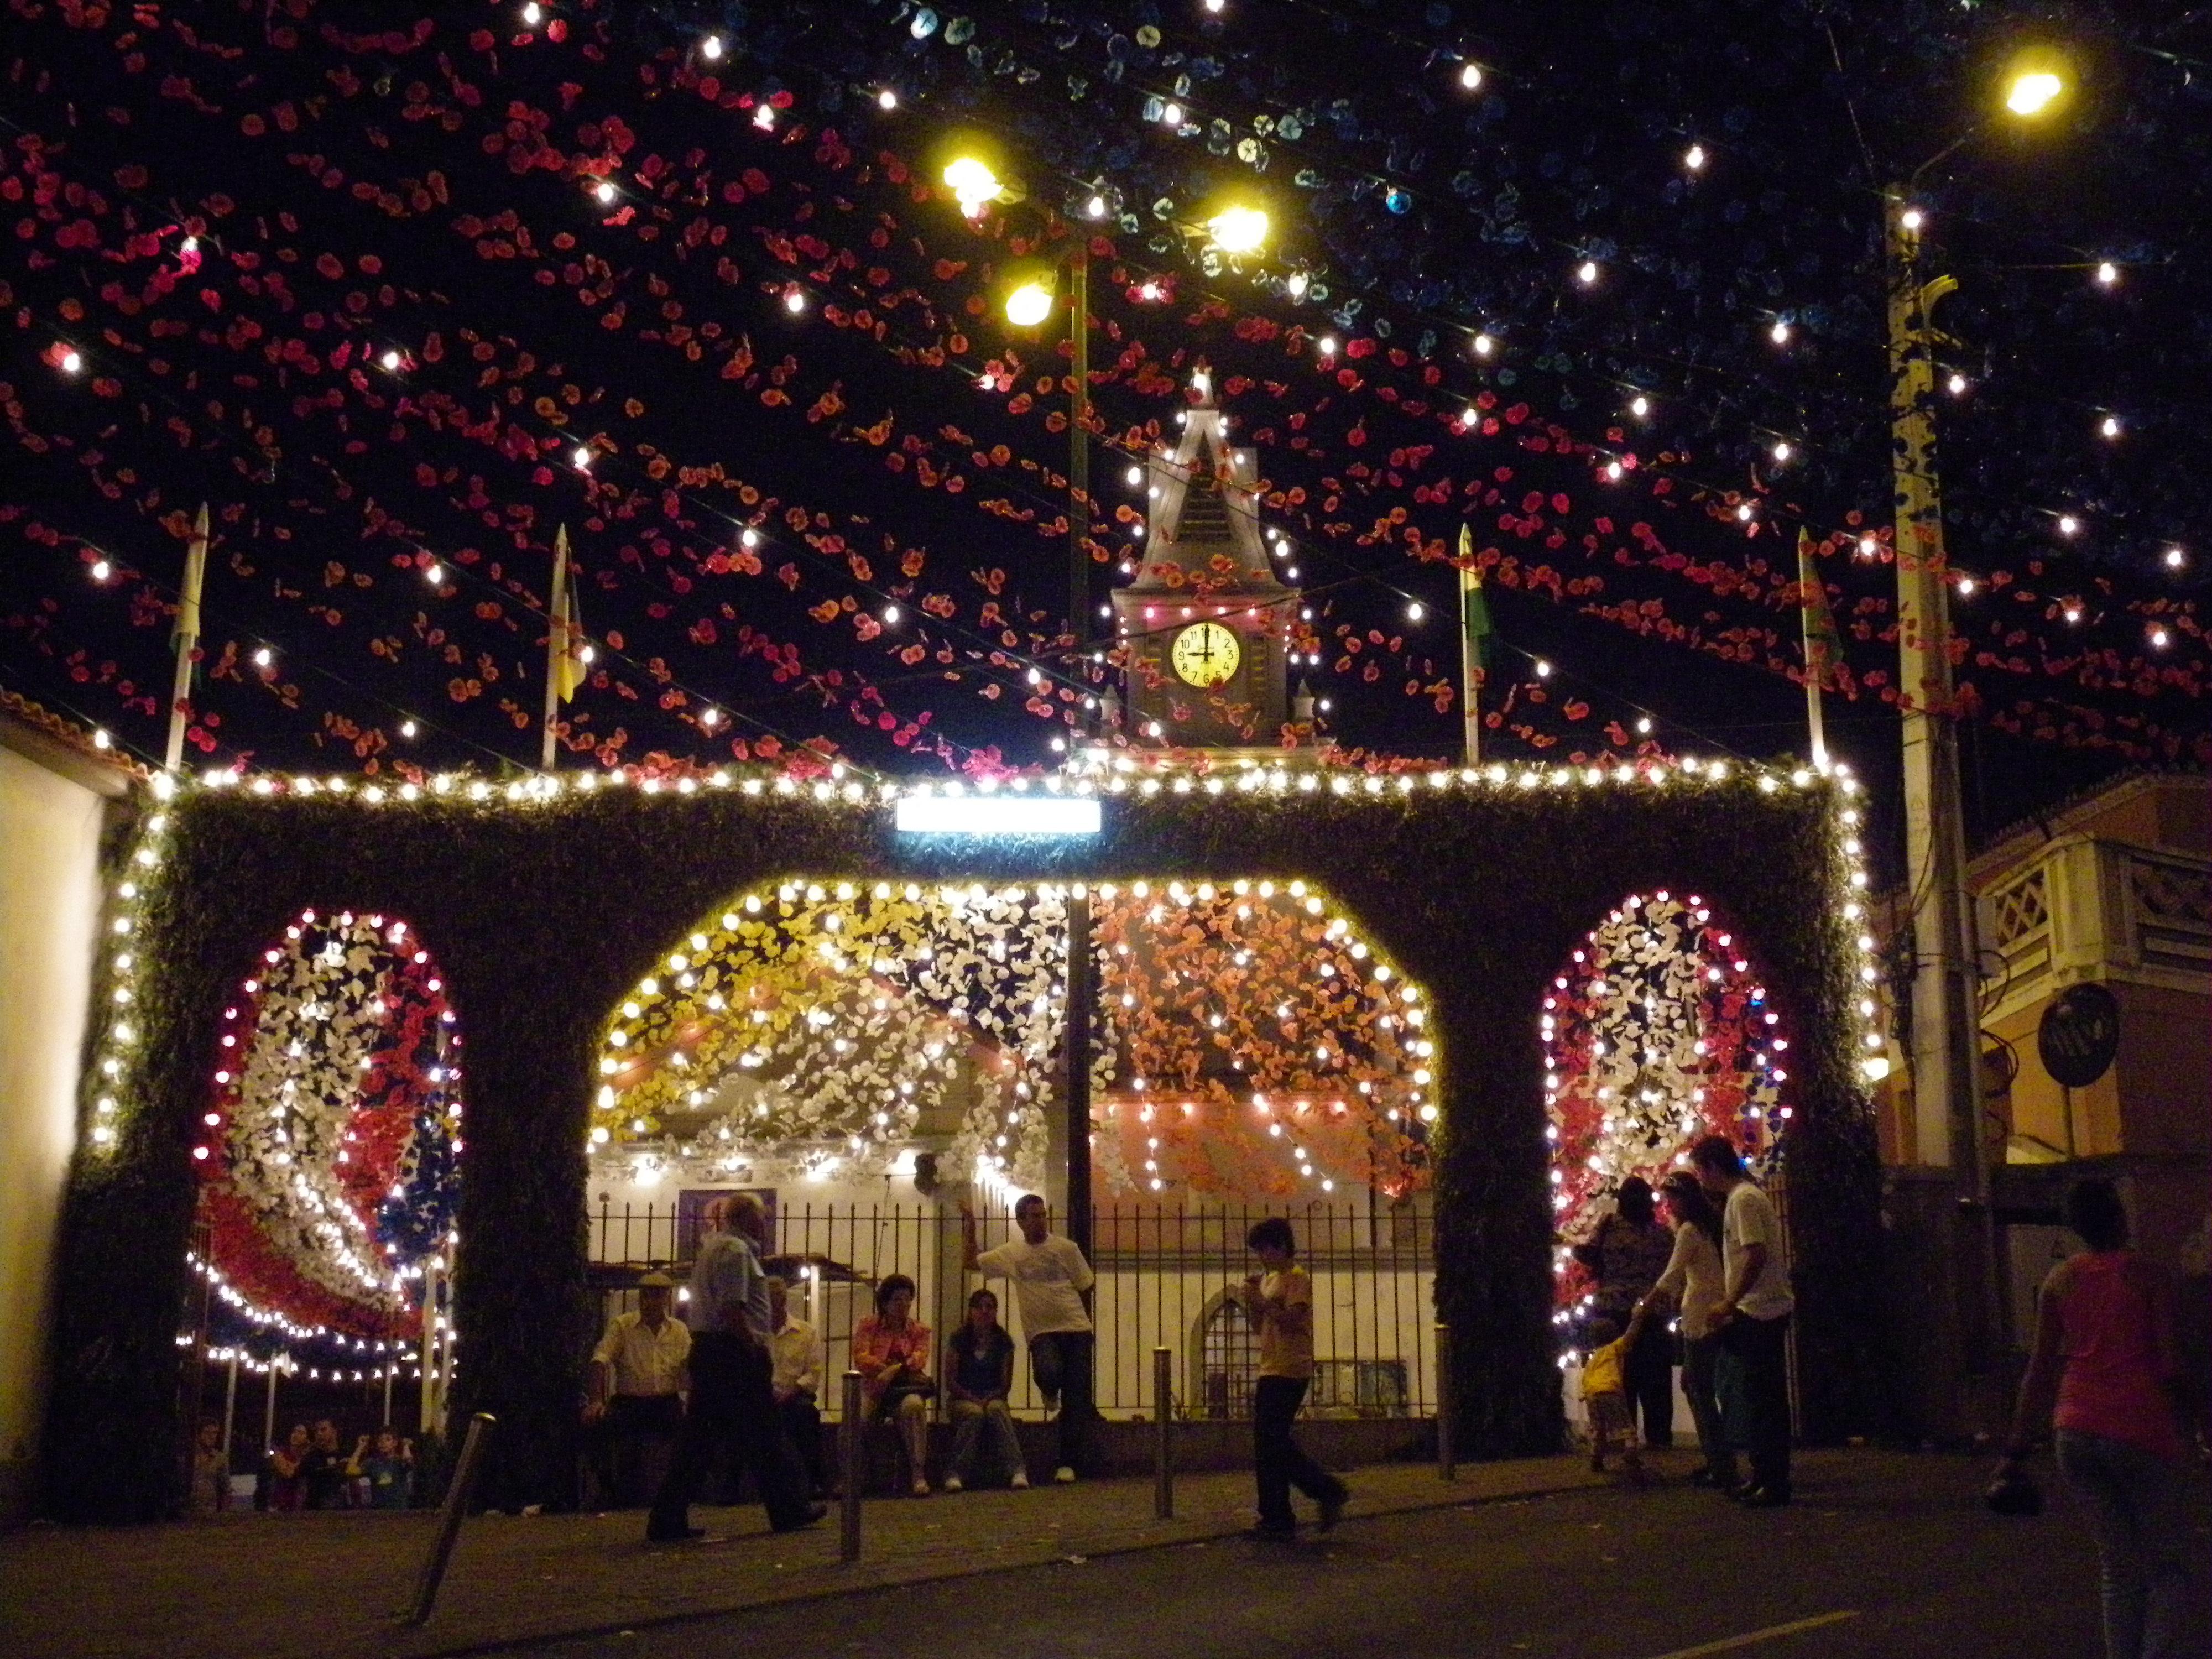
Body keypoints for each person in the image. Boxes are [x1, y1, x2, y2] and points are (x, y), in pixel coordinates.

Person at [1999, 1178, 2195, 1659]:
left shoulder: (2060, 1281)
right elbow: (2172, 1366)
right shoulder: (2149, 1277)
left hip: (2076, 1428)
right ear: (2119, 1217)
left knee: (2116, 1565)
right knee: (2167, 1566)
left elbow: (2040, 1370)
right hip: (2140, 1427)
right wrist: (2193, 1428)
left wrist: (2016, 1449)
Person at [646, 1193, 826, 1543]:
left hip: (714, 1352)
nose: (765, 1223)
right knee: (765, 1433)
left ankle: (667, 1516)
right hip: (731, 1353)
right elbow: (733, 1309)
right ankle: (788, 1508)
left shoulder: (715, 1249)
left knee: (702, 1439)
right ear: (747, 1217)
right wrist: (752, 1348)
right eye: (761, 1217)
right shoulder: (736, 1252)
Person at [962, 1193, 1095, 1483]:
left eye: (1042, 1215)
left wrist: (1081, 1321)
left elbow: (1086, 1283)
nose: (1039, 1221)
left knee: (1075, 1399)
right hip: (1042, 1330)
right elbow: (972, 1263)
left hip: (1075, 1328)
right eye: (1033, 1216)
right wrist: (970, 1224)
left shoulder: (1066, 1248)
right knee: (1047, 1371)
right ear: (1020, 1221)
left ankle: (1067, 1463)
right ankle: (1049, 1392)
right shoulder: (1013, 1253)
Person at [1691, 1135, 1794, 1507]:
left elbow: (1755, 1254)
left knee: (1763, 1399)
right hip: (1757, 1307)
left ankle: (1773, 1480)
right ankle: (1764, 1474)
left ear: (1713, 1168)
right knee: (1758, 1398)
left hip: (1759, 1309)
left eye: (1700, 1171)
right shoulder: (1745, 1198)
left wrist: (1730, 1301)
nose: (1700, 1179)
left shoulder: (1743, 1201)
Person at [1238, 1217, 1350, 1540]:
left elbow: (1294, 1321)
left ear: (1282, 1246)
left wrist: (1262, 1303)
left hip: (1291, 1368)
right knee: (1270, 1443)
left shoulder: (1298, 1279)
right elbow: (1262, 1328)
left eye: (1265, 1249)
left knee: (1271, 1441)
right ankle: (1281, 1512)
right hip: (1271, 1366)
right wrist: (1254, 1305)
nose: (1261, 1257)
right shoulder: (1270, 1280)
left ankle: (1319, 1494)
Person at [1640, 1169, 1733, 1488]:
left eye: (1672, 1199)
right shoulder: (1710, 1226)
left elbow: (1672, 1274)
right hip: (1712, 1311)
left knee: (1698, 1389)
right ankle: (1718, 1459)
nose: (1668, 1205)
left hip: (1699, 1316)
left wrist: (1646, 1304)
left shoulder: (1690, 1231)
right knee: (1697, 1386)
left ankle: (1720, 1463)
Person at [1573, 1175, 1677, 1448]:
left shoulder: (1608, 1225)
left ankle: (1622, 1434)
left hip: (1614, 1309)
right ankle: (1659, 1437)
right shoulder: (1663, 1233)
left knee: (1621, 1376)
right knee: (1655, 1377)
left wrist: (1572, 1244)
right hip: (1652, 1310)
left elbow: (1587, 1254)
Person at [585, 1270, 691, 1507]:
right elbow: (600, 1360)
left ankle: (679, 1494)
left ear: (666, 1298)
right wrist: (595, 1401)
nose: (649, 1302)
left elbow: (686, 1367)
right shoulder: (623, 1326)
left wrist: (687, 1399)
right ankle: (609, 1491)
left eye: (656, 1296)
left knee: (692, 1433)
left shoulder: (679, 1330)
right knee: (596, 1428)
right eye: (646, 1295)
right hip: (630, 1401)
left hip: (666, 1401)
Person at [853, 1274, 935, 1496]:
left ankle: (918, 1473)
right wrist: (882, 1368)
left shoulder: (920, 1330)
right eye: (897, 1300)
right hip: (875, 1388)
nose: (904, 1305)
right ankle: (850, 1477)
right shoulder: (869, 1326)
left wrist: (894, 1369)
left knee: (915, 1407)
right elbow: (861, 1357)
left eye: (908, 1299)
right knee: (858, 1417)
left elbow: (919, 1358)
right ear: (885, 1302)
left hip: (904, 1389)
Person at [942, 1288, 1028, 1491]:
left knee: (997, 1410)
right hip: (961, 1398)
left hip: (992, 1397)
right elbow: (951, 1381)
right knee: (974, 1414)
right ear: (971, 1311)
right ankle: (955, 1473)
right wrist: (972, 1398)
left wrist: (989, 1398)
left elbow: (1005, 1384)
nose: (985, 1311)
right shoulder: (958, 1339)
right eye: (979, 1306)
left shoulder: (1003, 1341)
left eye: (990, 1307)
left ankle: (1017, 1470)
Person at [766, 1276, 826, 1498]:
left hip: (794, 1395)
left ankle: (812, 1481)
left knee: (804, 1416)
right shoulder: (758, 1334)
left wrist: (792, 1391)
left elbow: (813, 1373)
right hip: (764, 1395)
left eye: (777, 1300)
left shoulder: (806, 1332)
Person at [1579, 1314, 1646, 1482]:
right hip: (1610, 1390)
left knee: (1599, 1429)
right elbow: (1630, 1336)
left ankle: (1597, 1459)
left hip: (1591, 1395)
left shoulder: (1593, 1358)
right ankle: (1630, 1453)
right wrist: (1638, 1319)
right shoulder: (1613, 1349)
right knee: (1626, 1426)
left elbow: (1586, 1377)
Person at [352, 1427, 414, 1511]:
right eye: (380, 1441)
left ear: (395, 1443)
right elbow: (351, 1471)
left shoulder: (399, 1462)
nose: (383, 1443)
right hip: (378, 1512)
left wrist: (406, 1445)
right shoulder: (372, 1463)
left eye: (388, 1440)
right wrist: (360, 1447)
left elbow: (408, 1461)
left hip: (399, 1512)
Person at [301, 1419, 349, 1510]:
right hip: (316, 1508)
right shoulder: (311, 1456)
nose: (319, 1434)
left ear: (334, 1432)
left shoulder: (345, 1454)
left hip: (342, 1508)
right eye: (317, 1431)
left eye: (323, 1430)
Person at [187, 1420, 228, 1515]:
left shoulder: (220, 1459)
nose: (211, 1437)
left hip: (210, 1511)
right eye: (207, 1433)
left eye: (214, 1433)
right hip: (188, 1510)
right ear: (198, 1434)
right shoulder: (189, 1457)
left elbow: (225, 1487)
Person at [268, 1424, 310, 1512]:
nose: (296, 1435)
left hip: (300, 1505)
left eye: (301, 1433)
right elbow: (288, 1473)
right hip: (280, 1505)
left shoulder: (309, 1456)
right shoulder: (281, 1453)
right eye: (295, 1432)